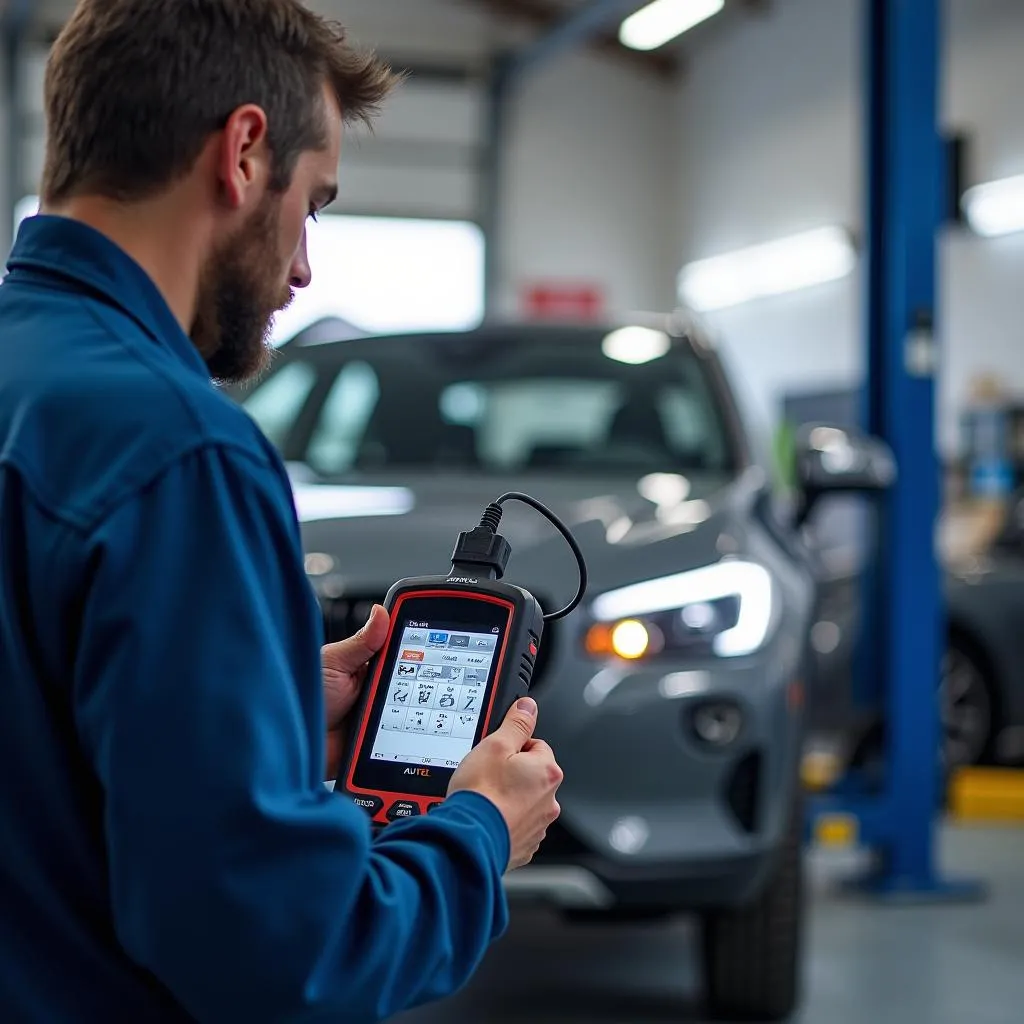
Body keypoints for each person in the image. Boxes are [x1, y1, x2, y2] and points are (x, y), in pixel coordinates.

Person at [0, 1, 563, 1021]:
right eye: (315, 205)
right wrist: (480, 830)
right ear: (245, 153)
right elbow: (283, 956)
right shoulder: (181, 448)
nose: (303, 267)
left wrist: (267, 707)